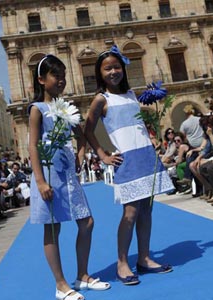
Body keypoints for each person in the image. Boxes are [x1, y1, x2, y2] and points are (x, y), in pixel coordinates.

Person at [84, 45, 173, 285]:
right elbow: (88, 129)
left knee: (146, 210)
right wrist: (102, 155)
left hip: (146, 156)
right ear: (99, 72)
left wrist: (152, 137)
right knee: (130, 213)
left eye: (116, 66)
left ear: (123, 68)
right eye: (107, 68)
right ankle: (122, 263)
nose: (113, 71)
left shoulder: (132, 94)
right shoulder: (101, 99)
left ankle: (144, 258)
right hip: (127, 160)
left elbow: (139, 123)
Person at [28, 55, 110, 300]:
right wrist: (41, 181)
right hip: (49, 173)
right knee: (52, 230)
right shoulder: (37, 109)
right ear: (42, 80)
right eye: (56, 76)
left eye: (64, 75)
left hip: (67, 173)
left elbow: (81, 133)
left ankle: (82, 276)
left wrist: (81, 152)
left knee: (87, 222)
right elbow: (32, 145)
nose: (61, 80)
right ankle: (61, 284)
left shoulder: (66, 107)